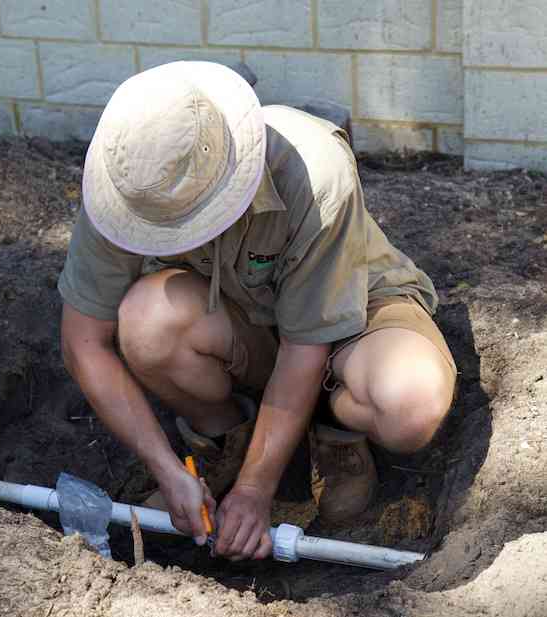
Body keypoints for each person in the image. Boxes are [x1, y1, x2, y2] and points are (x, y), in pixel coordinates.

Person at [58, 61, 457, 562]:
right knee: (146, 320)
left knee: (410, 404)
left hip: (355, 315)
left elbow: (307, 344)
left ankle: (334, 430)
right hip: (248, 325)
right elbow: (83, 341)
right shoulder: (129, 180)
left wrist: (254, 493)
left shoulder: (314, 170)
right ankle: (225, 441)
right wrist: (163, 464)